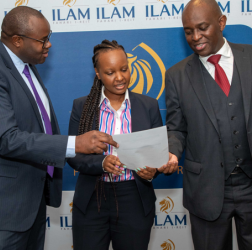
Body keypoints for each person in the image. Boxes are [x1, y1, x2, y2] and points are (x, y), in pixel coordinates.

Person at [0, 6, 118, 250]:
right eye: (43, 40)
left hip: (31, 201)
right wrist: (75, 143)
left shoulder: (28, 67)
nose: (49, 45)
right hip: (2, 207)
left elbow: (38, 126)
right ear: (17, 40)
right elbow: (7, 139)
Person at [165, 0, 252, 249]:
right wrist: (172, 151)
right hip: (206, 190)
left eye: (202, 27)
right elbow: (176, 127)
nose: (195, 37)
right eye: (188, 31)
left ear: (221, 22)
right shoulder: (176, 75)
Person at [67, 40, 178, 250]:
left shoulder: (148, 106)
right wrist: (101, 163)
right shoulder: (82, 107)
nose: (119, 77)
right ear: (98, 73)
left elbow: (157, 154)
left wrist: (153, 171)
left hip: (134, 198)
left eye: (124, 69)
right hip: (92, 198)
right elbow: (73, 155)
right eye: (110, 72)